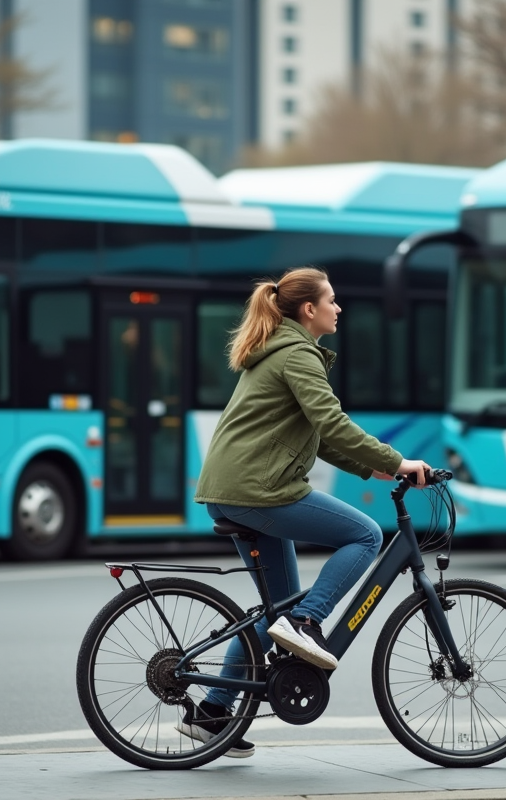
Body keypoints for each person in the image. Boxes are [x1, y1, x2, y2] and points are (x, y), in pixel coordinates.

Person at [181, 266, 431, 758]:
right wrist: (396, 460)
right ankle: (307, 622)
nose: (340, 308)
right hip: (258, 489)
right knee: (364, 536)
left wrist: (376, 470)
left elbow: (318, 436)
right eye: (332, 300)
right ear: (309, 309)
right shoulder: (298, 353)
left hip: (239, 486)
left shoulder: (283, 349)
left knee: (276, 607)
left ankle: (212, 714)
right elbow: (332, 423)